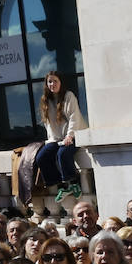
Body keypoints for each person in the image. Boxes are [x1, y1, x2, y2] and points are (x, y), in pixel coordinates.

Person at [34, 72, 86, 203]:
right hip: (56, 139)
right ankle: (62, 186)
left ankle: (74, 184)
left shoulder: (68, 96)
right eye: (50, 82)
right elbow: (48, 124)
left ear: (60, 82)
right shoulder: (45, 100)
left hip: (75, 135)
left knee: (62, 154)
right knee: (42, 157)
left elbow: (74, 118)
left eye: (55, 81)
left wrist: (70, 136)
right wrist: (51, 141)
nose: (53, 84)